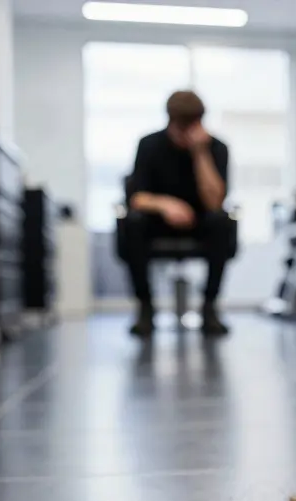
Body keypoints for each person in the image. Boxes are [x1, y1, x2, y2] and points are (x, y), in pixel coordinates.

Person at [122, 90, 234, 337]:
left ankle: (209, 307)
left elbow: (215, 201)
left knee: (221, 221)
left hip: (201, 222)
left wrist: (200, 154)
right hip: (157, 222)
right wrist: (166, 205)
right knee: (133, 223)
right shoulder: (149, 145)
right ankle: (145, 308)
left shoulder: (216, 148)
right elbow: (136, 197)